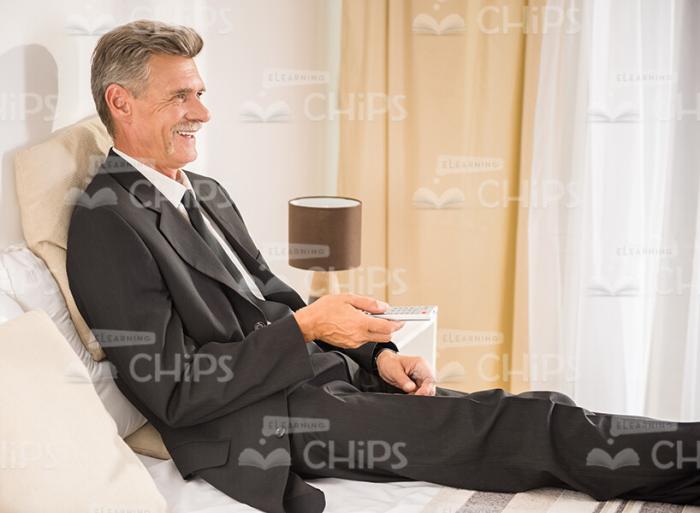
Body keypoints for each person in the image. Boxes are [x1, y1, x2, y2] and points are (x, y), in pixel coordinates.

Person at [67, 20, 700, 513]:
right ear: (120, 102)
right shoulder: (106, 220)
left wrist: (377, 356)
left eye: (200, 93)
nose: (202, 111)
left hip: (316, 380)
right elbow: (173, 392)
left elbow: (274, 299)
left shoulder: (203, 190)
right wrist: (311, 331)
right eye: (182, 96)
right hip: (268, 424)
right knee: (525, 426)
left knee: (520, 413)